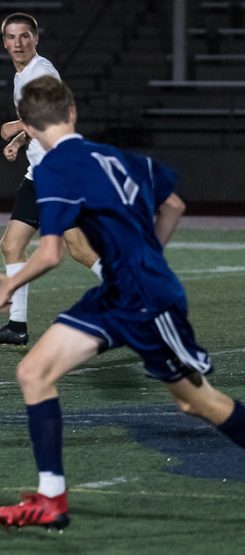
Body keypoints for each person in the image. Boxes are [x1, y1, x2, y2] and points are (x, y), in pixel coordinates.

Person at [0, 76, 245, 530]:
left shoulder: (52, 170)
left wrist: (9, 286)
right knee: (33, 372)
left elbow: (49, 254)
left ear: (27, 126)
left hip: (147, 301)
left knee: (194, 401)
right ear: (72, 113)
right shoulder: (116, 156)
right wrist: (148, 257)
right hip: (119, 293)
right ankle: (52, 498)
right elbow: (174, 205)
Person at [0, 12, 101, 346]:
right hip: (39, 172)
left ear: (36, 39)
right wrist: (18, 142)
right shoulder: (22, 76)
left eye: (25, 36)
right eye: (12, 37)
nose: (19, 43)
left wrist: (15, 127)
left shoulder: (41, 71)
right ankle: (17, 326)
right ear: (4, 43)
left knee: (78, 248)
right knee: (11, 245)